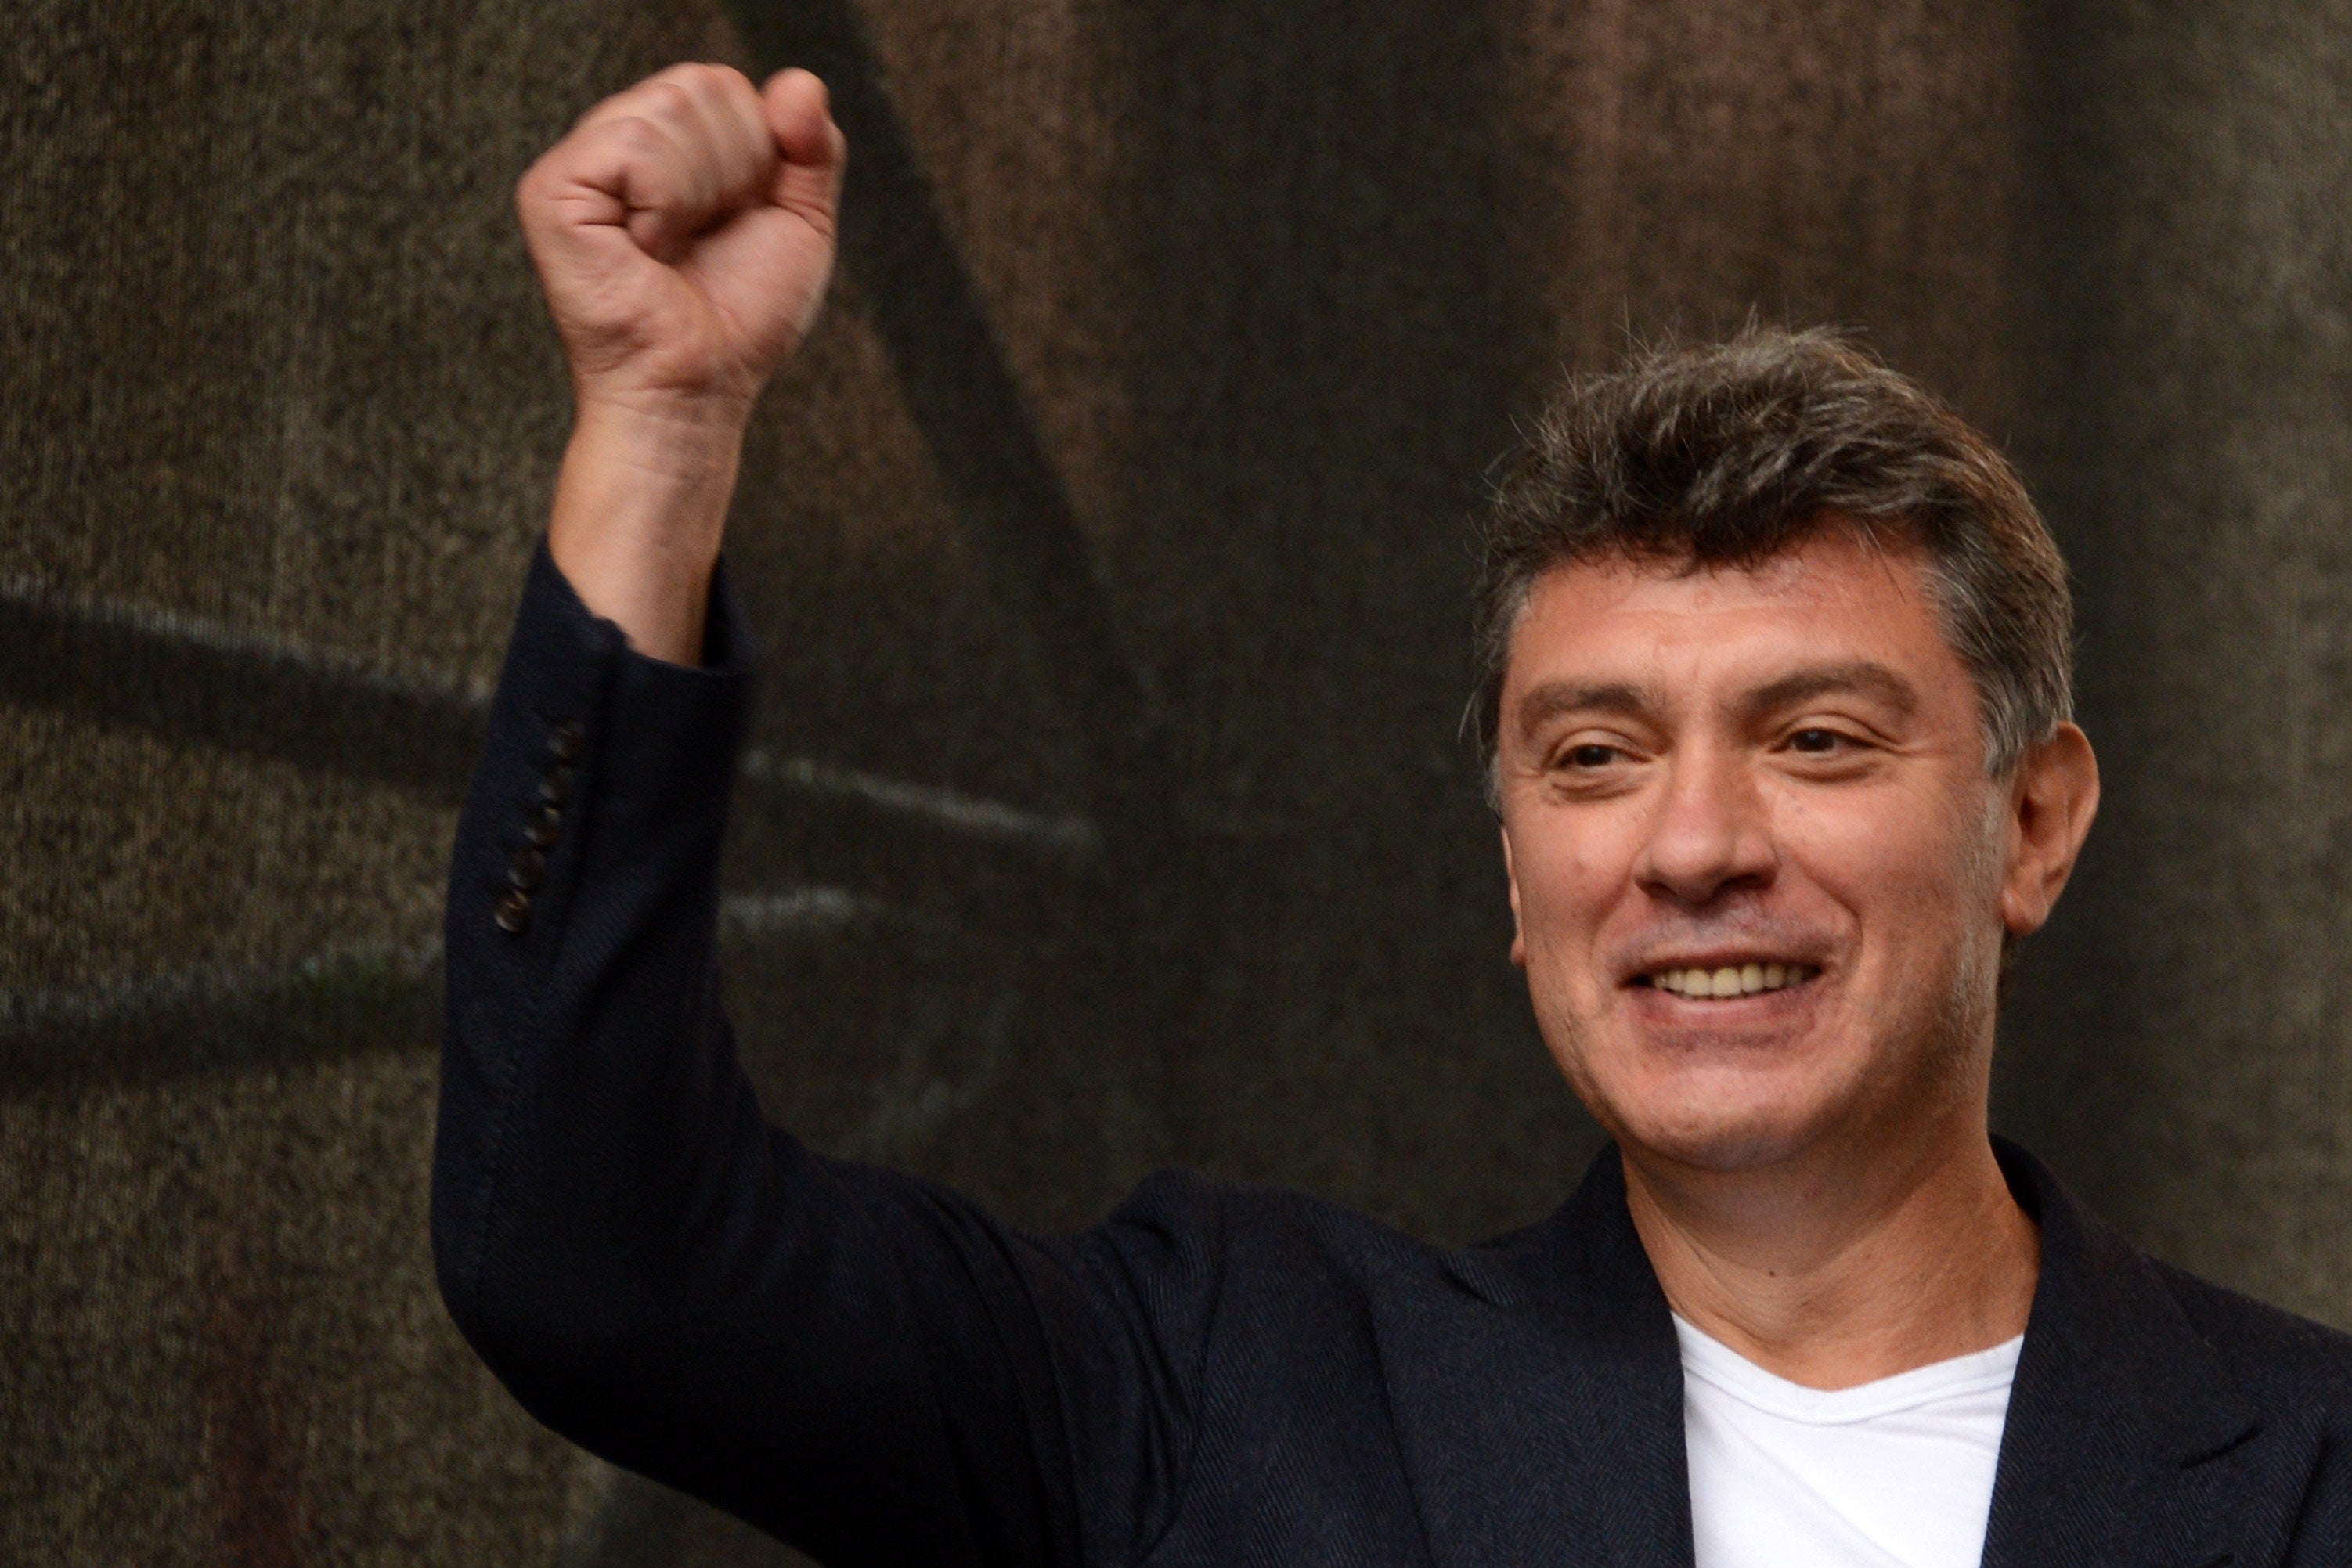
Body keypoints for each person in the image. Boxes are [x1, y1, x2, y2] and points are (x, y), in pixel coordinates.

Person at [431, 61, 2352, 1566]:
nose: (1689, 847)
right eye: (1591, 758)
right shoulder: (1223, 1394)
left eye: (1815, 740)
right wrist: (661, 430)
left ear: (2031, 825)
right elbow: (594, 1263)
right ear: (1518, 869)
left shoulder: (2305, 1470)